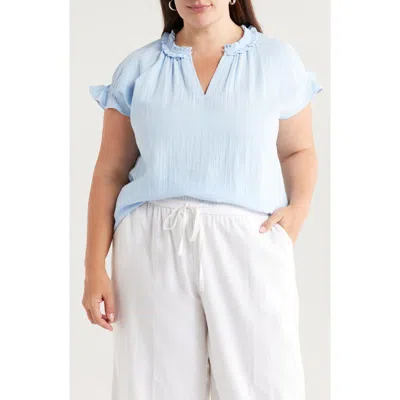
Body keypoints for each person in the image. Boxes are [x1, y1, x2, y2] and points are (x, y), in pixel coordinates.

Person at [82, 0, 322, 399]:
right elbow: (110, 171)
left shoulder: (276, 61)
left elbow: (299, 150)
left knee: (263, 383)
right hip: (152, 244)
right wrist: (94, 268)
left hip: (249, 241)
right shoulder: (139, 69)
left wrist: (298, 210)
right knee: (154, 387)